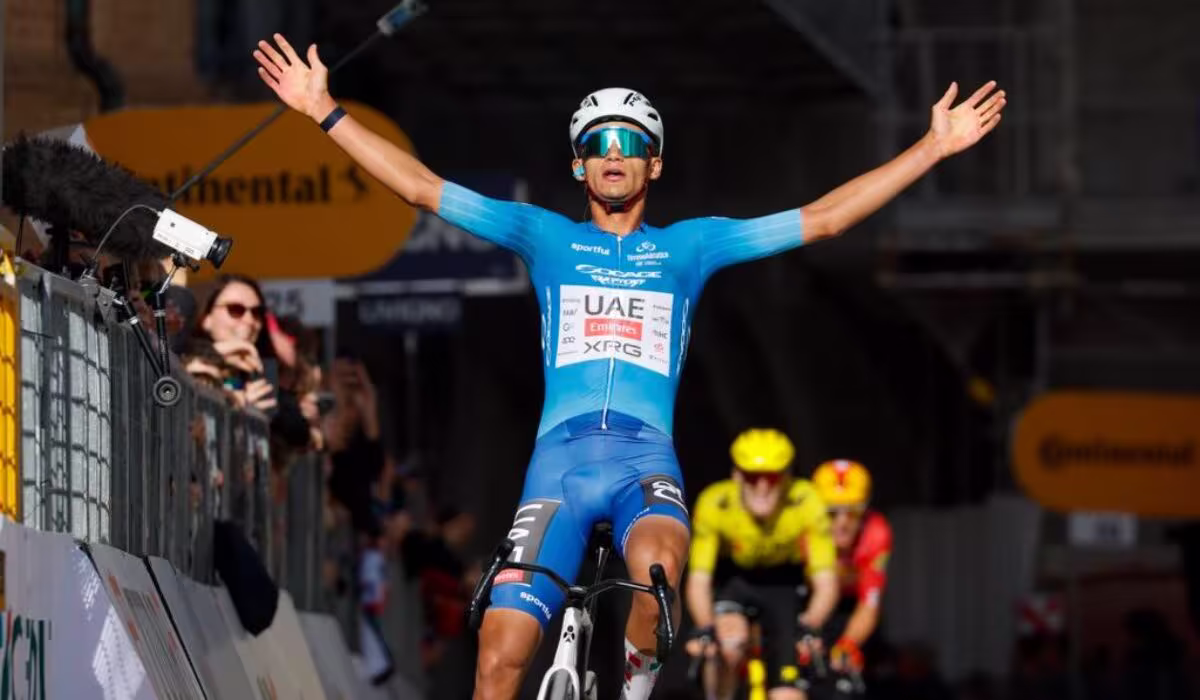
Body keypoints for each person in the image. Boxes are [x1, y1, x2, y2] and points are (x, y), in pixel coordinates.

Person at [253, 32, 1006, 700]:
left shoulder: (692, 245)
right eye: (598, 143)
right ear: (579, 165)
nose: (614, 153)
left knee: (657, 575)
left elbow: (826, 219)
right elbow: (420, 187)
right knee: (499, 658)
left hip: (645, 463)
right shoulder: (545, 236)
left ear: (655, 162)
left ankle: (636, 685)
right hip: (558, 469)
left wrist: (931, 148)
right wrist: (325, 111)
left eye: (630, 142)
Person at [685, 429, 839, 700]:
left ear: (787, 476)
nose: (763, 487)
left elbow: (826, 580)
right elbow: (699, 580)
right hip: (735, 579)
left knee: (788, 694)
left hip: (784, 583)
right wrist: (705, 627)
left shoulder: (807, 499)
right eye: (752, 477)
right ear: (736, 475)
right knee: (728, 644)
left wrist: (811, 623)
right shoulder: (715, 502)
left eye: (773, 477)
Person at [811, 460, 893, 679]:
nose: (842, 523)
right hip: (807, 602)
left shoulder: (877, 533)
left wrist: (848, 644)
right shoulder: (803, 530)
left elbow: (869, 603)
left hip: (851, 608)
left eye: (853, 511)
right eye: (831, 512)